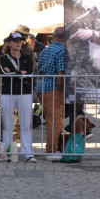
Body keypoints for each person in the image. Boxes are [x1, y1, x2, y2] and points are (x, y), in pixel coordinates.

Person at [0, 30, 36, 162]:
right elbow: (3, 73)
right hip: (7, 93)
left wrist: (13, 73)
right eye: (15, 41)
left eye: (20, 41)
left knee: (25, 125)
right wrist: (19, 73)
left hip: (25, 93)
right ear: (9, 43)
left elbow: (30, 73)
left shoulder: (26, 58)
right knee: (7, 125)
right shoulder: (2, 58)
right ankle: (5, 152)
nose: (18, 44)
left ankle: (27, 152)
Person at [36, 26, 67, 159]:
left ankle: (50, 147)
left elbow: (39, 68)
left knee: (50, 120)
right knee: (56, 120)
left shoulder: (45, 50)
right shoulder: (62, 50)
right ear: (65, 38)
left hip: (41, 87)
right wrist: (62, 90)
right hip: (53, 88)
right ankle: (52, 149)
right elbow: (61, 73)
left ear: (54, 37)